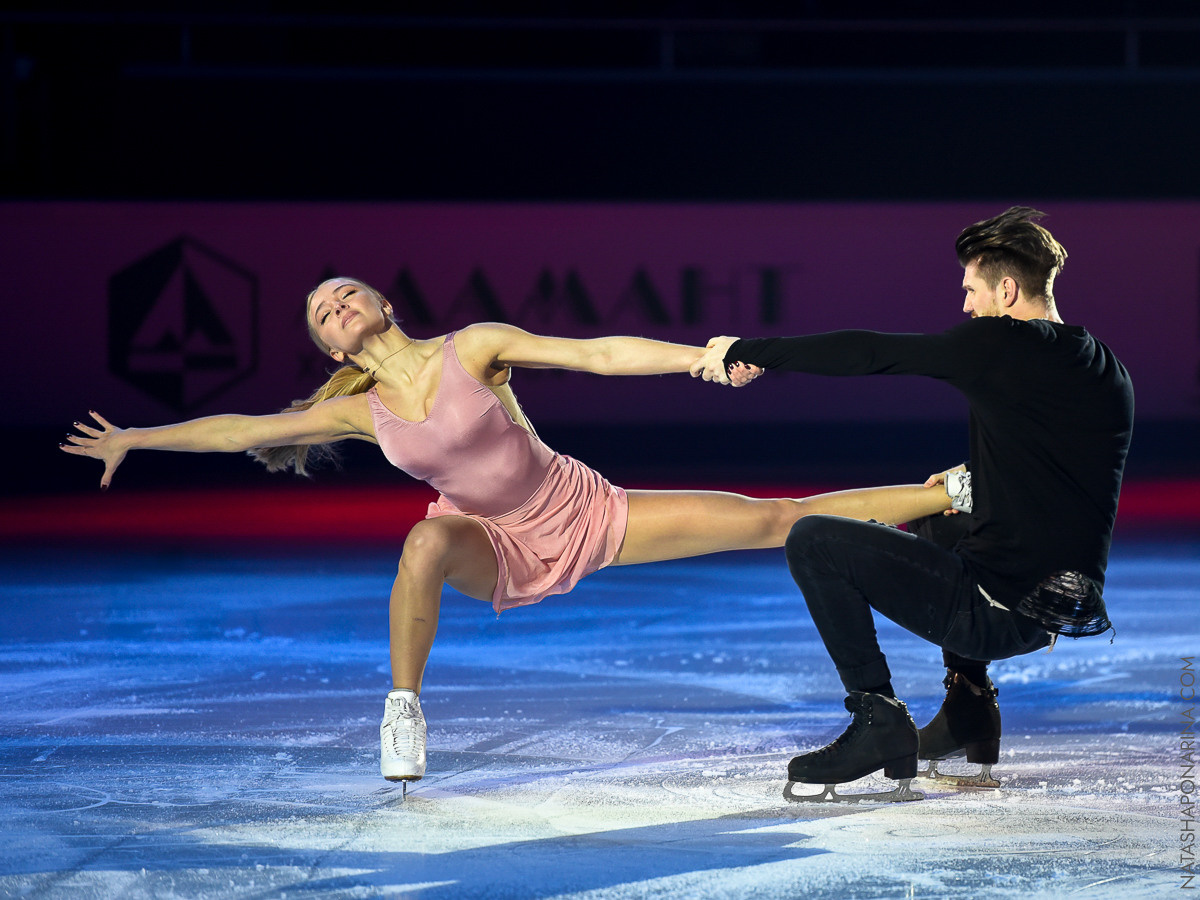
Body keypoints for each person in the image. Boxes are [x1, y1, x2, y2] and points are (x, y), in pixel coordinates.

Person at [62, 277, 954, 786]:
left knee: (773, 520)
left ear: (382, 304)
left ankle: (942, 493)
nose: (335, 303)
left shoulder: (474, 346)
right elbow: (241, 430)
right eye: (322, 312)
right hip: (487, 541)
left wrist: (703, 361)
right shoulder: (359, 412)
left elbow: (596, 355)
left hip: (582, 509)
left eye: (344, 293)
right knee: (421, 544)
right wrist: (136, 438)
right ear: (333, 350)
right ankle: (403, 712)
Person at [692, 207, 1134, 802]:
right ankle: (969, 709)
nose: (966, 306)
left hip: (994, 610)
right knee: (940, 509)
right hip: (1052, 612)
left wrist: (753, 349)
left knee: (813, 539)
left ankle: (877, 718)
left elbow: (870, 353)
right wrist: (977, 478)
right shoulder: (1105, 365)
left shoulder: (999, 344)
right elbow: (1062, 470)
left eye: (971, 290)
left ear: (1006, 290)